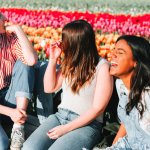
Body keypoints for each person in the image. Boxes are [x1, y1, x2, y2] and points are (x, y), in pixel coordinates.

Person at [22, 19, 113, 150]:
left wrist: (65, 129)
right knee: (29, 148)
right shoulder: (71, 63)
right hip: (60, 117)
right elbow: (49, 88)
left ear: (76, 43)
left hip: (87, 124)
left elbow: (97, 108)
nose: (62, 43)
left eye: (65, 40)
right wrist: (53, 59)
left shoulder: (102, 67)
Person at [0, 12, 38, 150]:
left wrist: (18, 29)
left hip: (10, 99)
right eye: (1, 17)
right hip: (7, 110)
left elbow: (31, 60)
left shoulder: (9, 38)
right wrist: (11, 113)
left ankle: (18, 127)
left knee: (24, 63)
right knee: (2, 146)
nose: (5, 19)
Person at [107, 35, 150, 149]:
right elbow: (127, 123)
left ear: (136, 62)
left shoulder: (147, 95)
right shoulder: (120, 85)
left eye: (120, 53)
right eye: (113, 51)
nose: (112, 55)